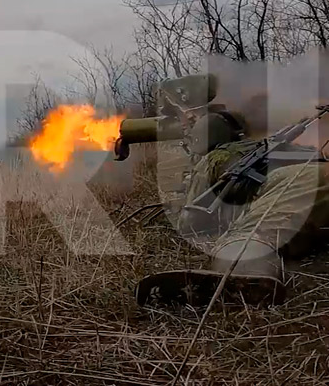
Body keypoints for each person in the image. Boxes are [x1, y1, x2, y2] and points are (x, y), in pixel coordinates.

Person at [133, 76, 329, 307]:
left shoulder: (214, 159)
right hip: (316, 180)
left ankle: (243, 275)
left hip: (303, 182)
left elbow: (193, 220)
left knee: (255, 234)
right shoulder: (268, 146)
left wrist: (180, 203)